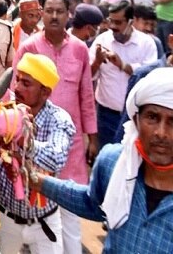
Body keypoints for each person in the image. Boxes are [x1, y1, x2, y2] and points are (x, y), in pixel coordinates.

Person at [34, 67, 173, 253]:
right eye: (152, 117)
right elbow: (92, 203)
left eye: (172, 121)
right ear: (136, 119)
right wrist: (37, 181)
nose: (161, 133)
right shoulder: (113, 163)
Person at [15, 0, 98, 252]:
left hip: (71, 146)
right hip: (32, 141)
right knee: (31, 209)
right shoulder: (29, 47)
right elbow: (13, 91)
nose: (53, 16)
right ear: (42, 14)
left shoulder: (79, 49)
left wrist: (92, 138)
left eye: (59, 11)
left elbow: (86, 94)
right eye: (48, 10)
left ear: (68, 15)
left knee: (70, 215)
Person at [0, 53, 75, 254]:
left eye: (26, 84)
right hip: (6, 220)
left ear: (45, 92)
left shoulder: (59, 119)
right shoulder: (4, 113)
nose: (18, 88)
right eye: (18, 80)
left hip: (44, 222)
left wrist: (24, 140)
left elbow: (56, 158)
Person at [91, 0, 157, 149]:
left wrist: (123, 65)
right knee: (107, 159)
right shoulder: (102, 40)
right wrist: (97, 61)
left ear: (130, 22)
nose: (113, 26)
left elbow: (149, 76)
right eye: (110, 21)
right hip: (106, 115)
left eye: (118, 23)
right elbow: (88, 76)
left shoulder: (146, 43)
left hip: (135, 116)